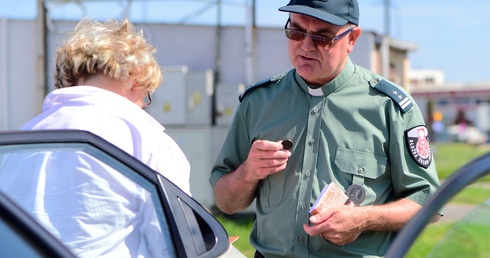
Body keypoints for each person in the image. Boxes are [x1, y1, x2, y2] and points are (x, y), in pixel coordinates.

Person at [209, 0, 442, 257]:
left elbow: (428, 202)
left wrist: (363, 219)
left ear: (352, 38)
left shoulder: (389, 107)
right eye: (296, 32)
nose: (306, 46)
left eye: (322, 37)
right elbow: (226, 202)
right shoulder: (258, 103)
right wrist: (247, 173)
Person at [0, 18, 190, 257]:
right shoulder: (147, 139)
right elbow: (172, 241)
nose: (143, 107)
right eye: (147, 97)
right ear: (136, 77)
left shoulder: (26, 134)